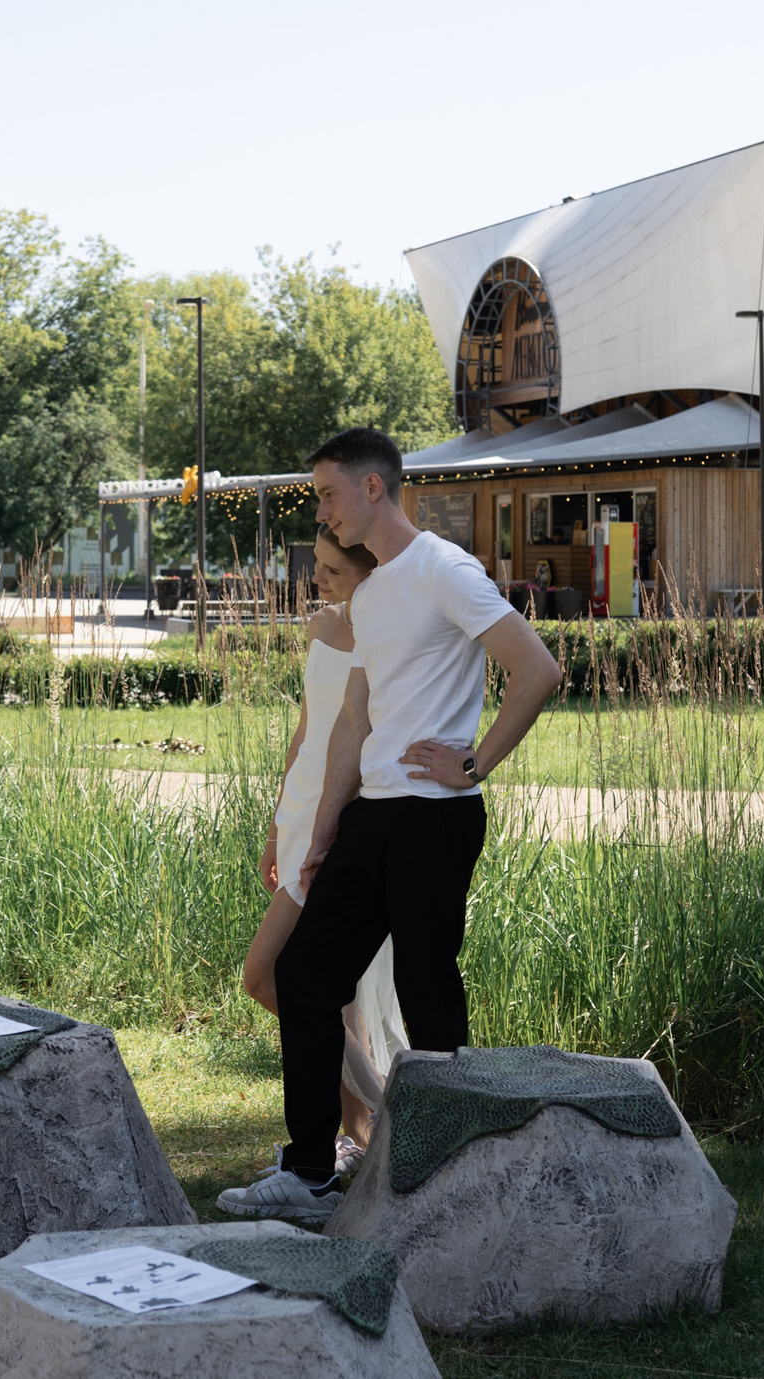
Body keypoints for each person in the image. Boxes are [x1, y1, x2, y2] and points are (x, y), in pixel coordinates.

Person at [219, 427, 564, 1220]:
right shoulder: (371, 594)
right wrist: (325, 826)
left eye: (330, 492)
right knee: (305, 976)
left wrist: (473, 763)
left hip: (435, 819)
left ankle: (447, 1174)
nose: (324, 510)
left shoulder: (444, 569)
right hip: (372, 817)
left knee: (427, 987)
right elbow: (351, 722)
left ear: (374, 488)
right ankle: (309, 1175)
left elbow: (537, 670)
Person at [238, 525, 409, 1169]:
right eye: (318, 565)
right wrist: (278, 824)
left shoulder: (390, 632)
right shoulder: (319, 625)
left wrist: (327, 825)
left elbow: (369, 735)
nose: (319, 577)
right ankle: (358, 1131)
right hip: (302, 813)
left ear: (368, 572)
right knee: (336, 991)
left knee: (264, 975)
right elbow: (307, 730)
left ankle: (388, 1103)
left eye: (333, 569)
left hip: (342, 821)